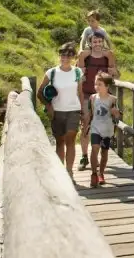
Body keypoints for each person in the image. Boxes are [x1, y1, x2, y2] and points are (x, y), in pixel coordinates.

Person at [38, 42, 84, 179]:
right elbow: (39, 93)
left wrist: (83, 112)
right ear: (59, 56)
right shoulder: (51, 72)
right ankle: (61, 174)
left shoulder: (77, 72)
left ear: (73, 58)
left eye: (69, 56)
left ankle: (69, 173)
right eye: (63, 55)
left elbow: (80, 93)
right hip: (57, 112)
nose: (65, 58)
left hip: (73, 110)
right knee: (60, 142)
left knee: (70, 141)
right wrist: (49, 107)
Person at [76, 31, 119, 171]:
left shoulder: (108, 57)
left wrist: (111, 63)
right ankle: (84, 156)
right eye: (95, 41)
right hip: (88, 95)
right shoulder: (85, 57)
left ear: (103, 42)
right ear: (90, 43)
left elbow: (115, 76)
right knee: (85, 126)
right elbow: (78, 76)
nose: (98, 44)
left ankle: (99, 157)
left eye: (100, 41)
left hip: (104, 96)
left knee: (103, 126)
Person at [87, 72, 120, 187]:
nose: (97, 87)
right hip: (95, 127)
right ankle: (94, 174)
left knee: (104, 153)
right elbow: (90, 113)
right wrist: (86, 124)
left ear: (107, 86)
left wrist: (116, 114)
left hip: (107, 129)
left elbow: (117, 116)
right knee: (94, 148)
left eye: (100, 84)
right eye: (96, 84)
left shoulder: (113, 100)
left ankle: (101, 173)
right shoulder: (92, 98)